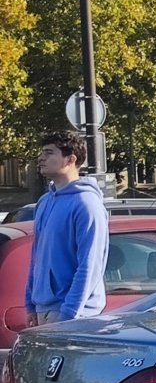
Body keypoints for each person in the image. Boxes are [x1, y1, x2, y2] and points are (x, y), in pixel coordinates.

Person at [25, 130, 109, 326]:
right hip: (44, 311)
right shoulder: (44, 201)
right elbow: (37, 258)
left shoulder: (87, 204)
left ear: (70, 159)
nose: (41, 158)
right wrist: (30, 305)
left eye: (49, 153)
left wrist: (69, 314)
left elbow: (90, 264)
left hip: (74, 315)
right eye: (42, 153)